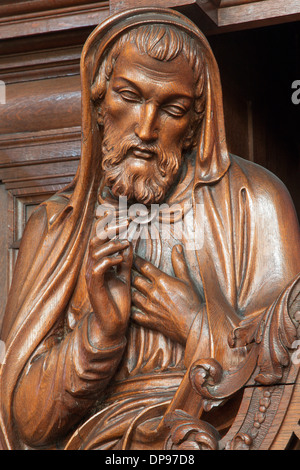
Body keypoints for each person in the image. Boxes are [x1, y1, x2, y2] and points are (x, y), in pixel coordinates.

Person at [0, 8, 299, 450]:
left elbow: (290, 368)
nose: (145, 128)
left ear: (195, 120)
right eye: (129, 96)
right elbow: (23, 425)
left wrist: (194, 323)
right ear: (100, 102)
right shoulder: (55, 227)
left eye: (172, 109)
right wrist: (100, 332)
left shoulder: (253, 202)